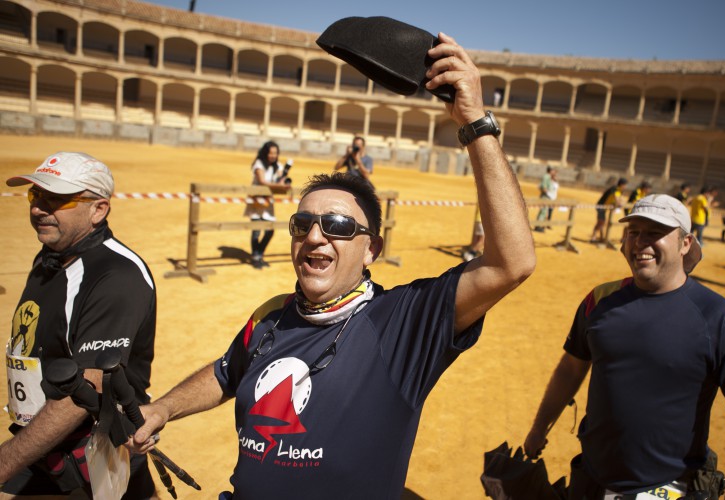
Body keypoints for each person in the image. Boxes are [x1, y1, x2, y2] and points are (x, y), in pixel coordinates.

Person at [128, 33, 536, 498]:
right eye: (303, 223)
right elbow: (226, 372)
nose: (316, 236)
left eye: (339, 225)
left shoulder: (401, 321)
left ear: (371, 250)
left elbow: (513, 263)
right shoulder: (271, 316)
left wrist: (476, 124)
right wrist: (163, 408)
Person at [524, 194, 725, 499]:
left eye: (655, 233)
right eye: (633, 232)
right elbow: (570, 368)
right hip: (590, 481)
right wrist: (540, 428)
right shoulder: (599, 301)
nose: (640, 242)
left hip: (668, 490)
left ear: (685, 244)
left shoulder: (719, 320)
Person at [1, 152, 157, 497]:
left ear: (98, 209)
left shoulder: (116, 277)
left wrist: (4, 463)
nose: (38, 208)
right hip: (42, 444)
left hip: (95, 463)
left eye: (56, 199)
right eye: (35, 196)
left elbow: (82, 393)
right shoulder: (51, 256)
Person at [244, 141, 293, 269]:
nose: (273, 155)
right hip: (256, 199)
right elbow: (262, 181)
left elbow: (279, 179)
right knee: (256, 230)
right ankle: (256, 257)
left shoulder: (277, 166)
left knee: (270, 230)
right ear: (265, 152)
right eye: (271, 153)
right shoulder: (259, 163)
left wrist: (283, 180)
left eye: (275, 153)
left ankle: (259, 254)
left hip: (267, 201)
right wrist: (280, 185)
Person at [590, 177, 628, 243]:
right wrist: (620, 204)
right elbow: (617, 198)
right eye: (625, 185)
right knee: (601, 222)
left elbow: (620, 199)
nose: (625, 187)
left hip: (605, 207)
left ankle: (601, 238)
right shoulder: (614, 188)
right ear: (622, 184)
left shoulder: (620, 190)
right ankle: (593, 237)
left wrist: (621, 203)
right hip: (601, 206)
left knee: (602, 222)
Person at [534, 166, 559, 232]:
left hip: (547, 197)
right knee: (543, 212)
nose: (554, 172)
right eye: (553, 170)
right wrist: (549, 194)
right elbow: (543, 187)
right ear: (550, 171)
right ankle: (538, 226)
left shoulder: (548, 176)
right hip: (545, 197)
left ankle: (538, 225)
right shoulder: (546, 176)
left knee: (544, 212)